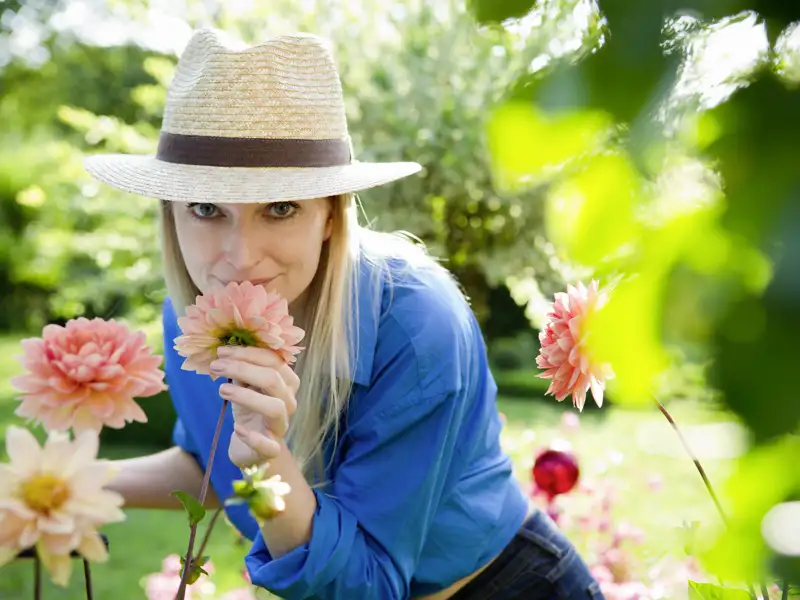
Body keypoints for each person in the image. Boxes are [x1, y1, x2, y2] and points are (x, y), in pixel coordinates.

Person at [85, 28, 604, 600]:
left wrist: (267, 460)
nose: (239, 257)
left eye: (280, 209)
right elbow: (214, 469)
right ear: (170, 215)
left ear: (330, 216)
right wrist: (69, 486)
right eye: (206, 209)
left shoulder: (413, 322)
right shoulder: (190, 314)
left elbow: (370, 584)